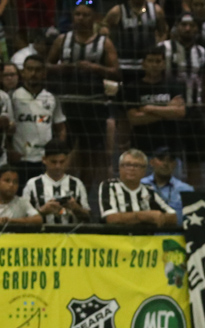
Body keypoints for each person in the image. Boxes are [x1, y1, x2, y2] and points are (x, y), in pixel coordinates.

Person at [47, 0, 119, 186]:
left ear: (94, 18)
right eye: (77, 14)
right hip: (67, 104)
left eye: (85, 14)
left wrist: (95, 68)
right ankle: (64, 186)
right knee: (66, 150)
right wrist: (65, 68)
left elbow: (116, 72)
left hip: (93, 104)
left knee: (91, 153)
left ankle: (85, 190)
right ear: (72, 16)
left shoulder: (104, 42)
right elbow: (47, 65)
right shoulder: (62, 40)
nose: (81, 18)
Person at [159, 12, 205, 187]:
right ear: (176, 27)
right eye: (183, 25)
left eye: (191, 25)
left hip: (195, 112)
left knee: (195, 160)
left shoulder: (201, 52)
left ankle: (191, 196)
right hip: (170, 113)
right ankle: (168, 196)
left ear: (197, 29)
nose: (187, 28)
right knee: (168, 158)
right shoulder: (163, 48)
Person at [10, 54, 68, 188]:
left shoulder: (52, 98)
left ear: (44, 73)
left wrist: (58, 151)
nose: (33, 73)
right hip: (20, 158)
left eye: (37, 70)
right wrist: (10, 150)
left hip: (44, 159)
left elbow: (61, 128)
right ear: (23, 72)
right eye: (29, 69)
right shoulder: (13, 97)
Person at [123, 46, 186, 158]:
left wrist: (150, 109)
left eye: (158, 61)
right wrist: (167, 111)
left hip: (170, 148)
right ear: (143, 64)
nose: (154, 65)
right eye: (150, 61)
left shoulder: (173, 85)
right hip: (142, 147)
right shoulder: (133, 87)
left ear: (163, 64)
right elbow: (134, 119)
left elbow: (180, 112)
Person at [99, 149, 177, 226]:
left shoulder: (148, 190)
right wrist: (144, 216)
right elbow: (110, 218)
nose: (131, 169)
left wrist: (160, 217)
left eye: (136, 166)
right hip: (117, 238)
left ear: (144, 171)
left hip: (145, 238)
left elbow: (173, 217)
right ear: (120, 168)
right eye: (127, 164)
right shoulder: (109, 186)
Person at [22, 140, 91, 224]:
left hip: (71, 235)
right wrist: (42, 211)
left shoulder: (77, 184)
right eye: (53, 162)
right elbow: (23, 219)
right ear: (44, 159)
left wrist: (76, 208)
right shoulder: (32, 185)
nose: (58, 166)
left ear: (67, 160)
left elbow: (88, 218)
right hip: (41, 235)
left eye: (62, 162)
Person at [101, 0, 169, 74]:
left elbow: (164, 31)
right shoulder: (118, 11)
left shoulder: (156, 10)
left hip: (149, 65)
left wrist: (157, 47)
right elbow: (104, 26)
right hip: (124, 63)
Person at [141, 146, 194, 223]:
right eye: (161, 159)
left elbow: (190, 220)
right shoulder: (141, 185)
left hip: (176, 234)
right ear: (151, 162)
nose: (165, 164)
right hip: (147, 233)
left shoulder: (186, 190)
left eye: (170, 160)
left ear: (175, 164)